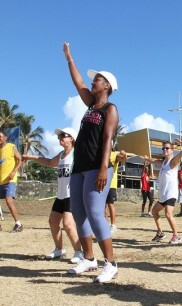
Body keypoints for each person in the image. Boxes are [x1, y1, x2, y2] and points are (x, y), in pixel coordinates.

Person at [63, 42, 119, 283]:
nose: (93, 82)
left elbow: (108, 139)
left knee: (96, 213)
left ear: (107, 85)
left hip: (98, 166)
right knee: (78, 213)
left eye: (97, 79)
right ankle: (89, 259)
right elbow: (79, 83)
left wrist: (104, 167)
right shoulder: (90, 105)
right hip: (80, 166)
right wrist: (69, 59)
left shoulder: (110, 108)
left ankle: (111, 263)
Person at [22, 128, 83, 263]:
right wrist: (31, 157)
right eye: (59, 136)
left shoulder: (76, 153)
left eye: (63, 135)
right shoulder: (61, 155)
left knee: (68, 224)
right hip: (61, 195)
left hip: (71, 194)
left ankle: (79, 252)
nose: (60, 138)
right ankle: (59, 249)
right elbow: (49, 162)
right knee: (53, 222)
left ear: (72, 138)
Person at [142, 141, 182, 244]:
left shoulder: (172, 162)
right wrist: (147, 159)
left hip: (171, 193)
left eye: (167, 148)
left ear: (171, 150)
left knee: (168, 214)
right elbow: (154, 161)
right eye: (163, 148)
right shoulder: (163, 163)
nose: (164, 150)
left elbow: (179, 155)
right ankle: (160, 233)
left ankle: (176, 236)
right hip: (163, 195)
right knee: (155, 211)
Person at [0, 130, 23, 233]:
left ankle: (18, 224)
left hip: (10, 180)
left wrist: (14, 171)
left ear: (5, 137)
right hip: (1, 180)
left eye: (0, 137)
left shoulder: (11, 146)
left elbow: (20, 159)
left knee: (9, 201)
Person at [106, 150, 127, 233]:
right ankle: (105, 225)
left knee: (110, 204)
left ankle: (113, 225)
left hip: (111, 184)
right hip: (101, 184)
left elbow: (123, 159)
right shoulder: (101, 153)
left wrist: (124, 154)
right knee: (102, 207)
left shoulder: (115, 154)